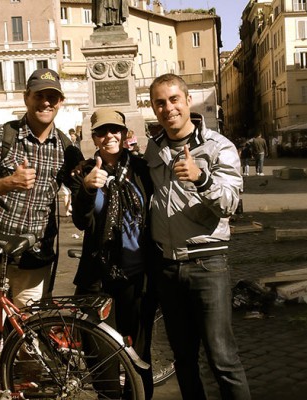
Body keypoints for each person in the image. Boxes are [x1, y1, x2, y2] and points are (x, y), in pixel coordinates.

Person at [0, 68, 81, 400]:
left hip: (34, 257)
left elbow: (81, 188)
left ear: (60, 103)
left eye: (52, 97)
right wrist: (7, 183)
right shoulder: (2, 135)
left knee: (30, 340)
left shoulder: (65, 146)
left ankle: (25, 393)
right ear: (27, 98)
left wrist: (91, 184)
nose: (46, 102)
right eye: (39, 95)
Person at [143, 74, 251, 400]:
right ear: (153, 107)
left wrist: (201, 178)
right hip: (168, 268)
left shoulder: (219, 146)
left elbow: (231, 203)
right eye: (160, 102)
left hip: (208, 265)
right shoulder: (153, 149)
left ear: (188, 100)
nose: (168, 108)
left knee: (222, 359)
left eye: (174, 99)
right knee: (184, 361)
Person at [68, 108, 154, 399]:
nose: (109, 136)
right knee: (102, 360)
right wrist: (88, 190)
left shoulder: (142, 169)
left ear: (125, 133)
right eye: (102, 131)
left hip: (136, 277)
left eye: (115, 130)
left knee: (138, 358)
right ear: (93, 137)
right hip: (98, 278)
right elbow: (81, 221)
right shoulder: (85, 173)